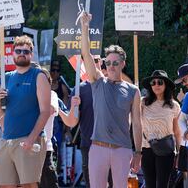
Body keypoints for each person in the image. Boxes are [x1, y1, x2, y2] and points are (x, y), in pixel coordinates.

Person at [80, 12, 142, 188]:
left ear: (123, 64)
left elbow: (137, 123)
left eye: (115, 63)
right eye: (108, 63)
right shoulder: (98, 82)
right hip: (98, 147)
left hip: (122, 149)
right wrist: (85, 27)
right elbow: (86, 54)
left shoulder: (133, 91)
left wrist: (138, 152)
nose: (111, 66)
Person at [0, 35, 51, 188]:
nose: (22, 54)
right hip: (6, 139)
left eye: (26, 51)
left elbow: (46, 111)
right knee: (4, 185)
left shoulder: (38, 76)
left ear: (31, 55)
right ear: (12, 53)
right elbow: (0, 113)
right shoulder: (6, 77)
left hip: (29, 139)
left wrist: (31, 139)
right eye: (18, 50)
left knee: (29, 185)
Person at [58, 56, 102, 188]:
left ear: (101, 63)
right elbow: (72, 122)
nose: (92, 64)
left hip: (111, 145)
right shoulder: (79, 89)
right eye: (89, 60)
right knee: (92, 184)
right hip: (88, 144)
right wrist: (73, 107)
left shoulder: (112, 85)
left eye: (95, 60)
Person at [140, 70, 181, 188]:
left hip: (166, 150)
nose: (156, 85)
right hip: (147, 149)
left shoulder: (174, 105)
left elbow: (177, 131)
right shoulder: (142, 103)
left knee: (163, 185)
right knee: (149, 184)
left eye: (160, 82)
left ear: (166, 85)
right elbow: (135, 124)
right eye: (153, 83)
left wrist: (179, 152)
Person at [39, 69, 59, 188]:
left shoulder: (52, 94)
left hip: (45, 147)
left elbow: (50, 109)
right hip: (26, 146)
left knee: (50, 183)